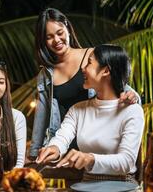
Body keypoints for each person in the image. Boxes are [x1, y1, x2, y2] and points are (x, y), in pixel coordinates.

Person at [29, 8, 140, 160]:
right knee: (74, 185)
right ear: (43, 41)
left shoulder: (92, 57)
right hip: (64, 145)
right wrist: (34, 153)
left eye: (59, 32)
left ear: (67, 27)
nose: (56, 40)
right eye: (49, 37)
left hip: (98, 142)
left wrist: (132, 96)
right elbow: (41, 116)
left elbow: (121, 87)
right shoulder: (45, 75)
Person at [36, 44, 144, 182]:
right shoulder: (77, 110)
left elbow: (126, 162)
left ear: (105, 71)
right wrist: (55, 149)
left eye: (89, 63)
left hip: (122, 184)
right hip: (86, 183)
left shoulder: (132, 111)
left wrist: (90, 158)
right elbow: (62, 138)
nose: (82, 67)